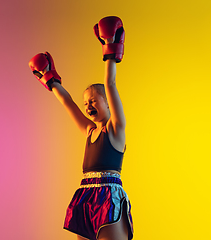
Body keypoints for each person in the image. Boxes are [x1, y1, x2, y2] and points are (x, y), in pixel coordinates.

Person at [29, 16, 133, 240]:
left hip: (109, 198)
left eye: (93, 101)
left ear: (107, 102)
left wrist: (110, 51)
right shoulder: (89, 131)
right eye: (86, 103)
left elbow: (111, 84)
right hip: (85, 196)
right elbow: (68, 103)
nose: (88, 106)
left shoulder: (116, 129)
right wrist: (50, 79)